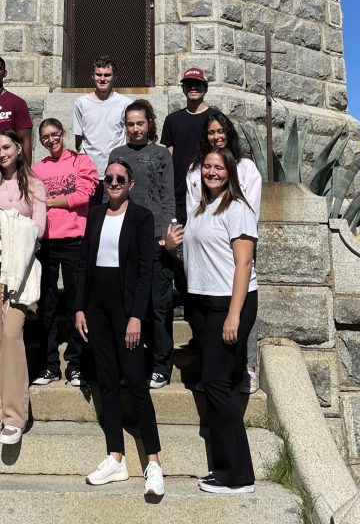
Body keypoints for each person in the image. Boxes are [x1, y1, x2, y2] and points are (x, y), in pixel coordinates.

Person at [165, 148, 258, 495]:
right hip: (203, 303)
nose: (212, 172)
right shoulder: (200, 209)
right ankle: (225, 467)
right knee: (220, 382)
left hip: (229, 305)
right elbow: (195, 255)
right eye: (207, 166)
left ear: (230, 172)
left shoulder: (238, 209)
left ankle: (237, 475)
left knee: (215, 383)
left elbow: (244, 265)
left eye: (219, 167)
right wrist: (172, 248)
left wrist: (234, 315)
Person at [75, 158, 165, 497]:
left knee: (136, 385)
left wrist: (136, 316)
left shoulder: (141, 217)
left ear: (130, 184)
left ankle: (153, 462)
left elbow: (145, 272)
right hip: (96, 305)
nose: (113, 183)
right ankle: (116, 456)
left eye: (119, 179)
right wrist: (79, 307)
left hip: (125, 307)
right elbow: (84, 263)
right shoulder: (96, 214)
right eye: (109, 178)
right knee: (107, 382)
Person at [0, 129, 46, 445]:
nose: (1, 153)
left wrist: (4, 221)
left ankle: (15, 416)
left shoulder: (35, 185)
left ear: (18, 147)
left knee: (12, 334)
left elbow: (39, 230)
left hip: (20, 265)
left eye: (7, 147)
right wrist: (3, 225)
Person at [186, 110, 262, 392]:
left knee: (240, 305)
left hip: (237, 239)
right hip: (204, 246)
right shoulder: (196, 169)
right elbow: (194, 206)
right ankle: (216, 371)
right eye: (211, 132)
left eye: (221, 131)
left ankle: (247, 368)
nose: (216, 137)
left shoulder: (245, 168)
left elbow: (249, 208)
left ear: (229, 133)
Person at [109, 99, 175, 389]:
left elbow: (168, 195)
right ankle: (132, 364)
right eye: (130, 124)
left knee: (159, 307)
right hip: (126, 239)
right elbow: (108, 196)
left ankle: (161, 365)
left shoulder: (161, 154)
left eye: (140, 123)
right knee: (128, 306)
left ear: (150, 124)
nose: (135, 129)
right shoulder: (118, 154)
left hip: (156, 238)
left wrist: (167, 233)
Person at [31, 119, 98, 387]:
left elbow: (84, 195)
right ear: (41, 141)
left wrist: (49, 201)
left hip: (74, 240)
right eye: (45, 137)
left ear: (64, 134)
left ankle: (76, 364)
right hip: (46, 241)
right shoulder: (37, 169)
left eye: (55, 134)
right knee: (46, 306)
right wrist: (59, 201)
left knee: (75, 304)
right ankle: (49, 365)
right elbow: (30, 199)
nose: (51, 140)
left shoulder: (81, 162)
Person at [73, 56, 132, 198]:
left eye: (107, 75)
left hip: (116, 172)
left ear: (114, 77)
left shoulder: (125, 103)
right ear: (92, 76)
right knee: (92, 215)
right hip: (90, 173)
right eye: (99, 74)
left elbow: (129, 137)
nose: (102, 79)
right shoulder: (81, 103)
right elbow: (78, 140)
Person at [160, 67, 213, 224]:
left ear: (205, 88)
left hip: (207, 193)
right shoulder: (172, 120)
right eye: (188, 84)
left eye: (198, 84)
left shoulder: (215, 118)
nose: (193, 87)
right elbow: (169, 156)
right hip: (179, 194)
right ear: (183, 88)